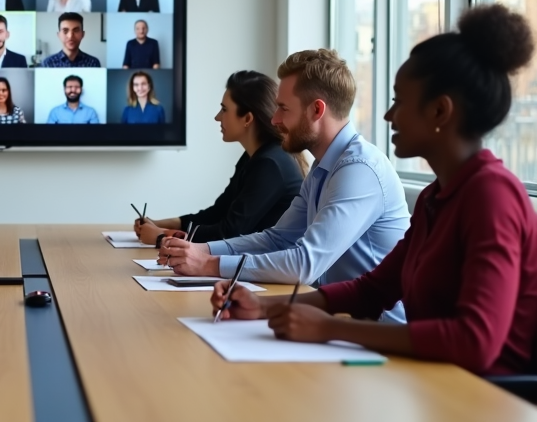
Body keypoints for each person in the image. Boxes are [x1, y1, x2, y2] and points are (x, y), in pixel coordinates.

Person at [212, 5, 537, 376]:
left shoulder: (491, 195)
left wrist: (330, 327)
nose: (388, 116)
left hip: (487, 397)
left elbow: (474, 341)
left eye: (399, 101)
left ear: (439, 112)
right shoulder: (437, 196)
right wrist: (266, 307)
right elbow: (374, 289)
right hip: (434, 380)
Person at [158, 49, 410, 322]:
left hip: (379, 338)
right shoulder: (323, 166)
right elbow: (277, 238)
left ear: (317, 110)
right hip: (341, 324)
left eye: (283, 108)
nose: (274, 118)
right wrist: (202, 250)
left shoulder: (359, 170)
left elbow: (305, 264)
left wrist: (208, 264)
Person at [134, 71, 305, 244]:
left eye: (224, 110)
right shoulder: (253, 157)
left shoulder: (269, 164)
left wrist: (162, 236)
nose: (217, 117)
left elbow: (229, 232)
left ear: (247, 118)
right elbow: (217, 213)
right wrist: (158, 224)